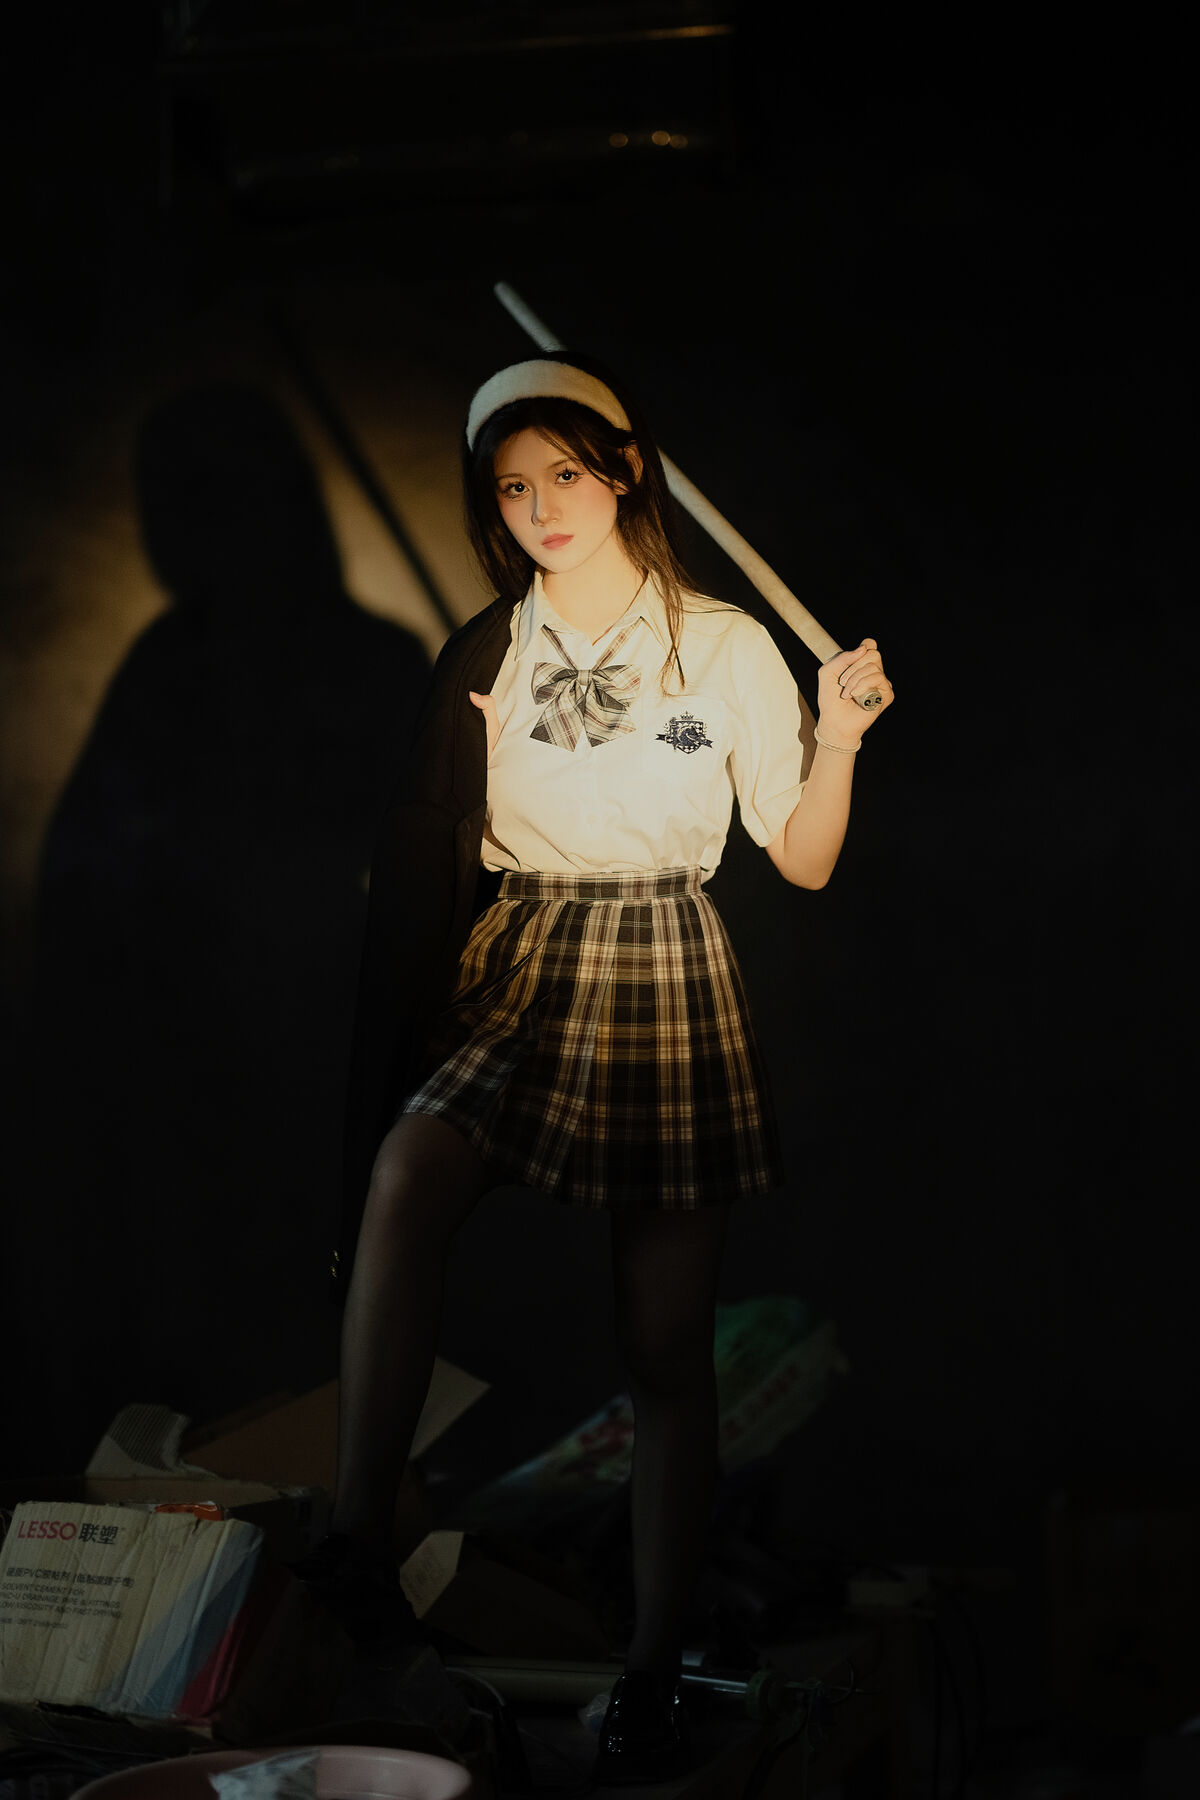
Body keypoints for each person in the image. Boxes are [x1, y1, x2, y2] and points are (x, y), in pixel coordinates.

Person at [318, 351, 893, 1782]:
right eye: (512, 489)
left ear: (627, 470)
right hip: (521, 956)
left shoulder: (729, 646)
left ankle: (650, 1666)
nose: (541, 509)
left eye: (564, 474)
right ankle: (354, 1544)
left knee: (661, 1342)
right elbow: (434, 846)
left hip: (662, 962)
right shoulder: (487, 651)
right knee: (405, 1175)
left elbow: (805, 860)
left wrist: (837, 739)